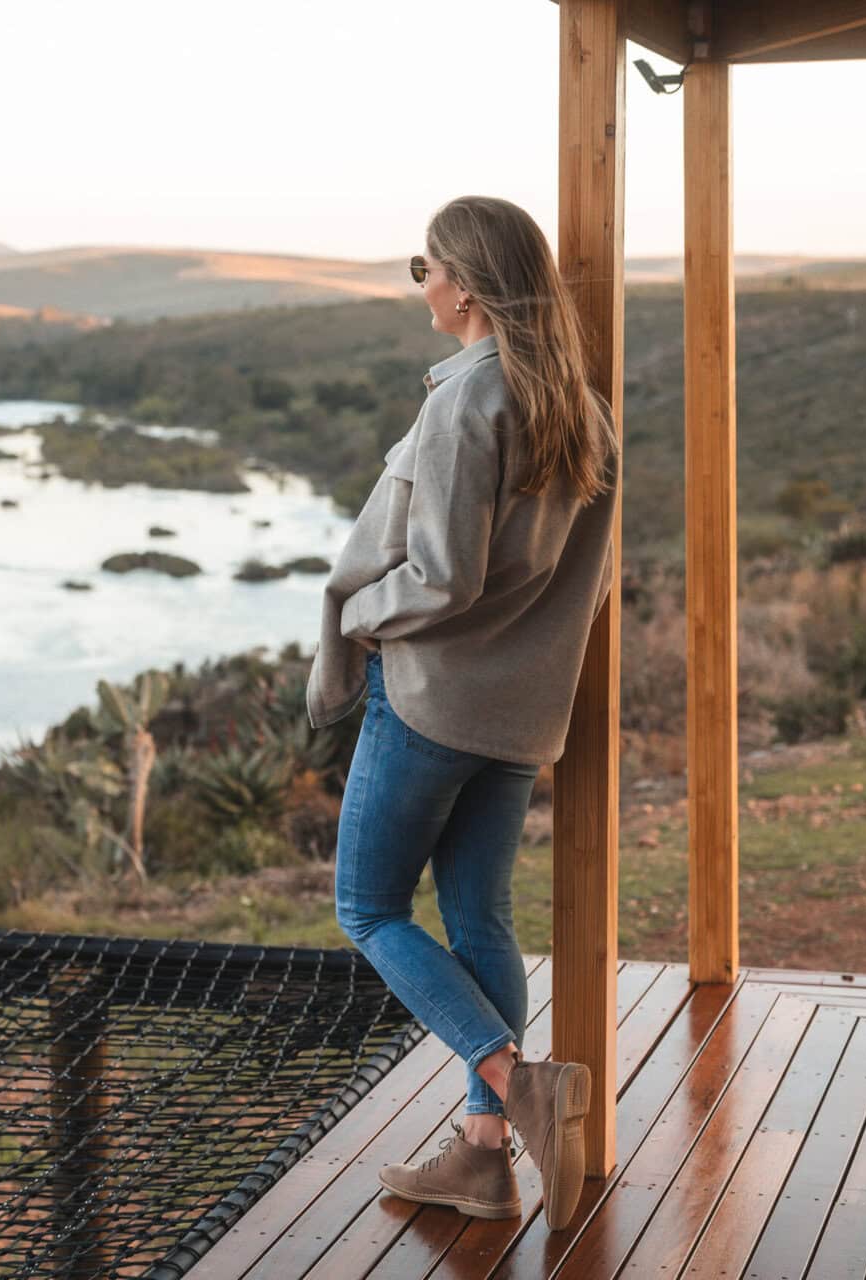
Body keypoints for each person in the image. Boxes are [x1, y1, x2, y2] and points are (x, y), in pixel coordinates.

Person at [306, 195, 620, 1232]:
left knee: (369, 907)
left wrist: (360, 614)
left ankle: (513, 1078)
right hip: (523, 715)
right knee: (479, 914)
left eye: (425, 267)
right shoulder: (581, 406)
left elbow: (438, 576)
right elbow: (594, 578)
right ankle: (485, 1158)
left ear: (470, 289)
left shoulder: (466, 402)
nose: (422, 284)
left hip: (433, 699)